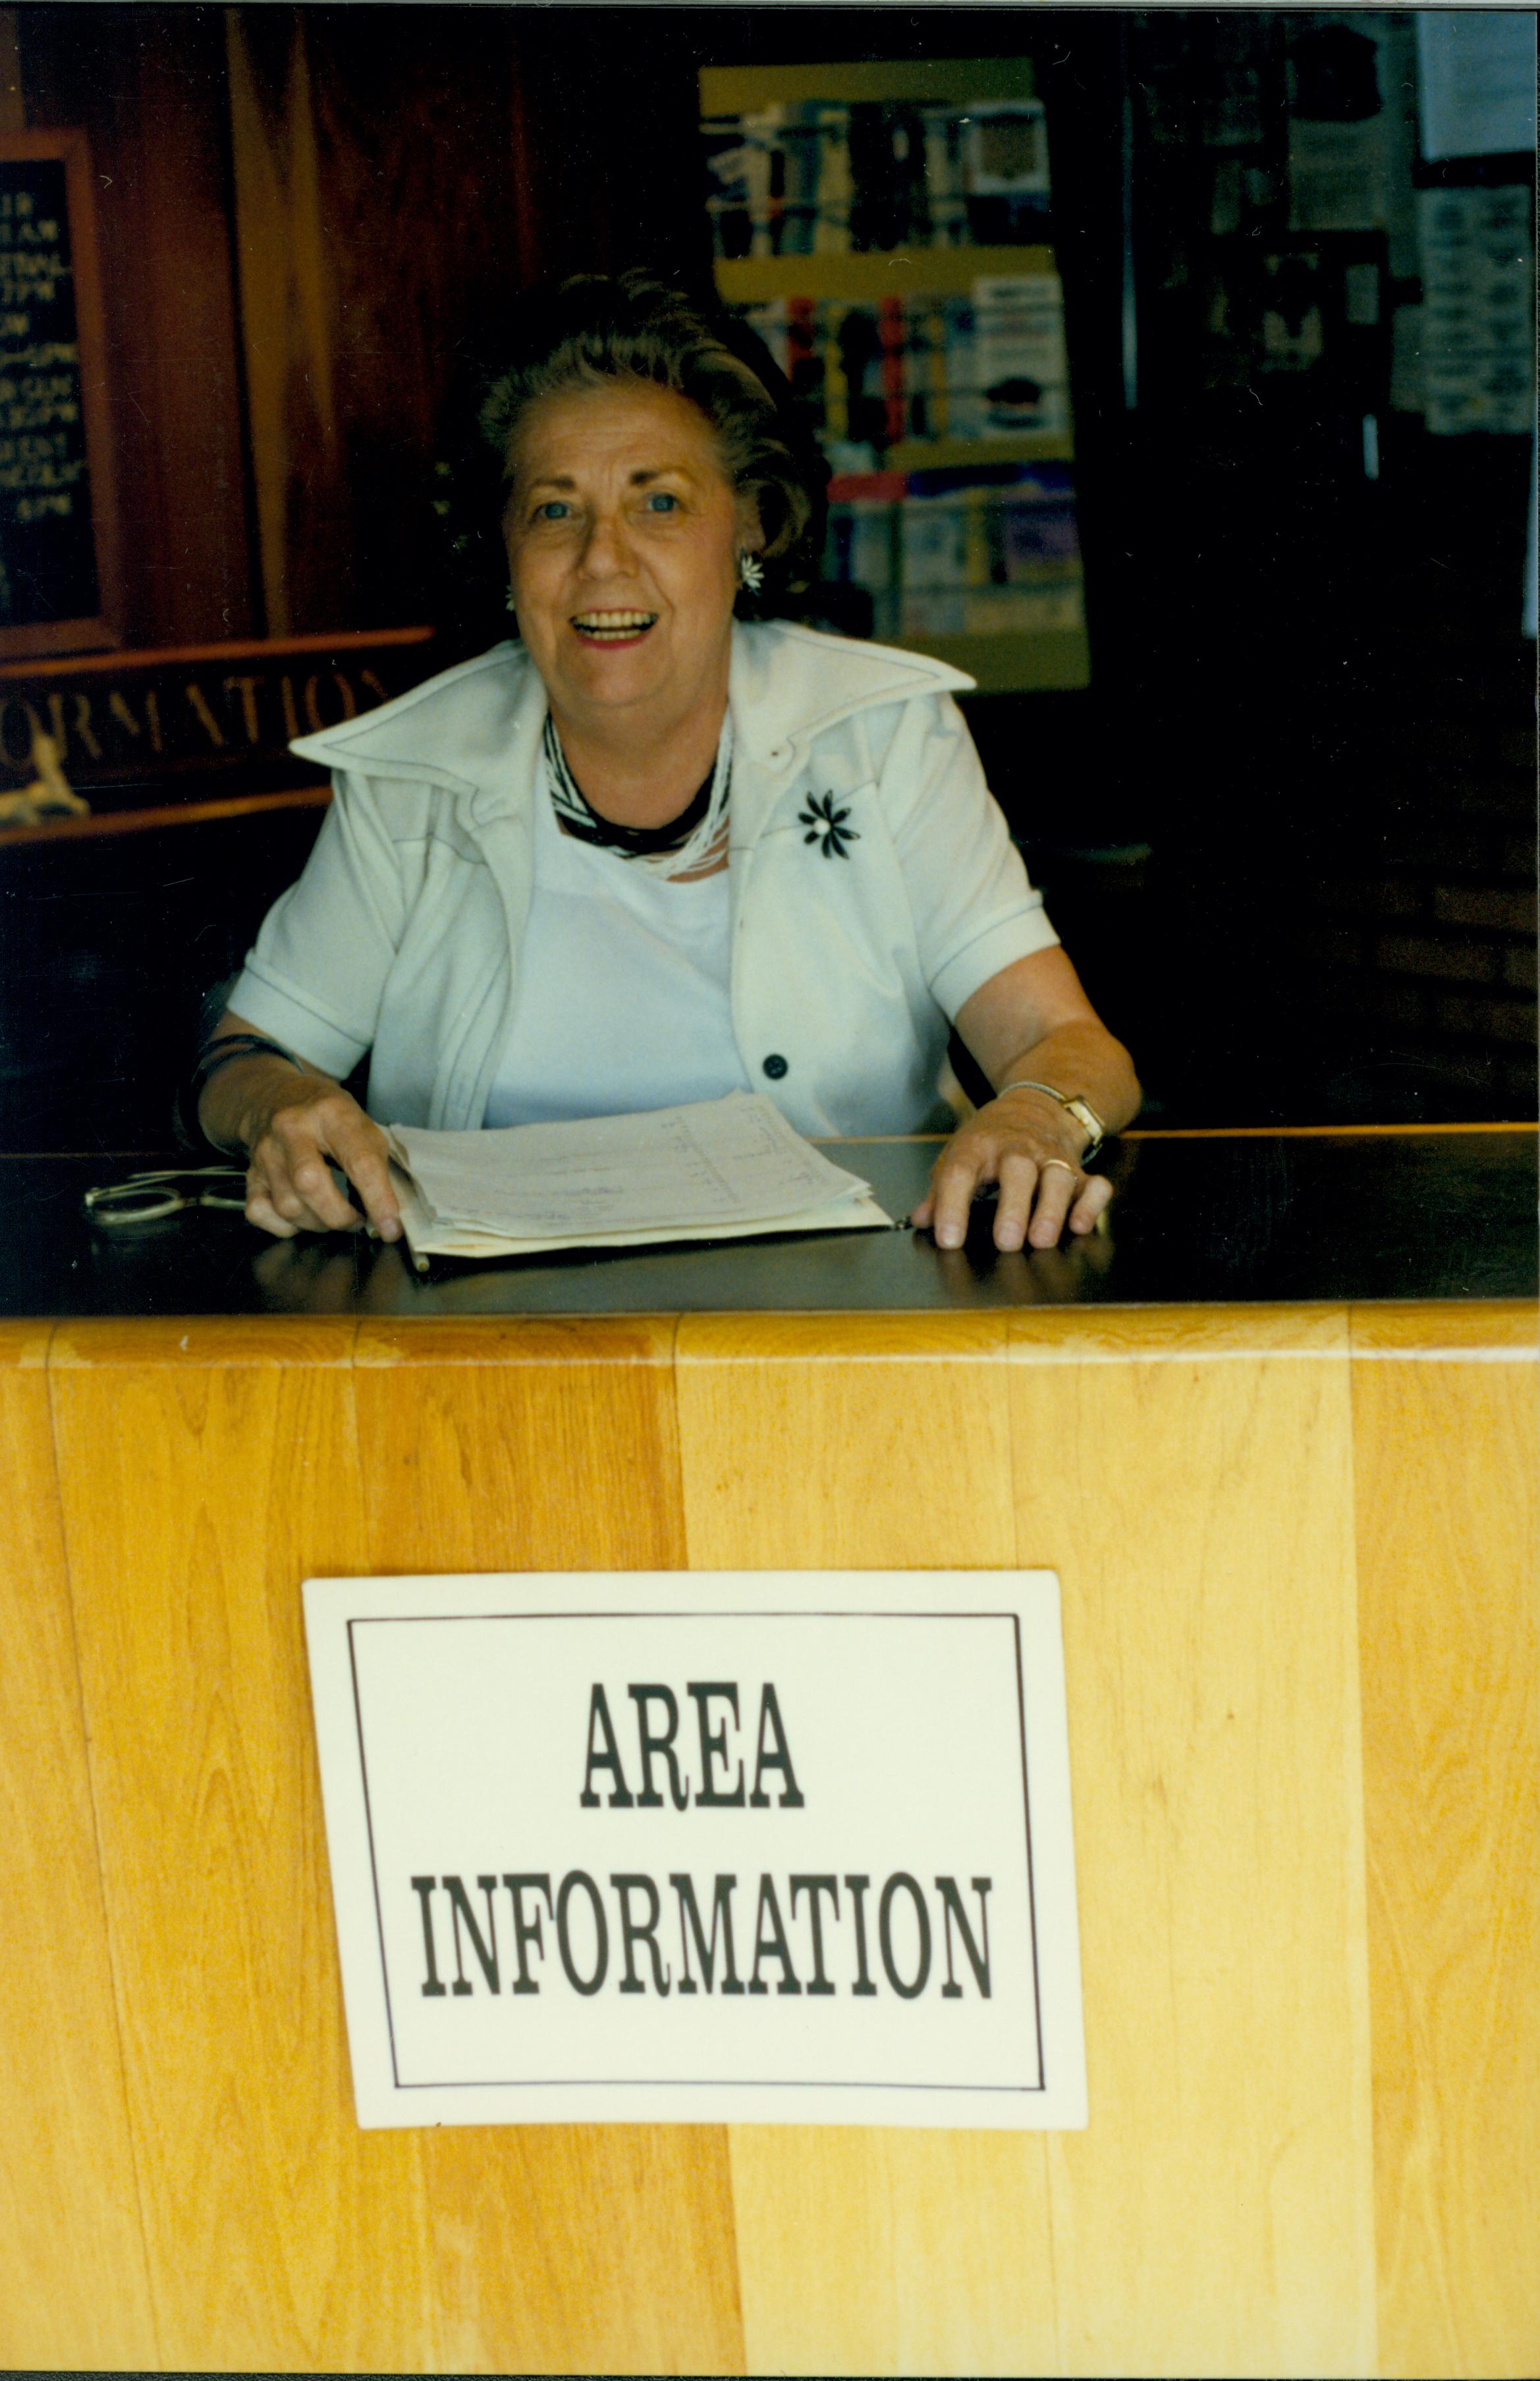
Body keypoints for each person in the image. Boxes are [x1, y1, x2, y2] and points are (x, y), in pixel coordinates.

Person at [198, 272, 1139, 1254]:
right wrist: (281, 1113)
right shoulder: (413, 774)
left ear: (751, 529)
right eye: (555, 512)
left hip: (842, 1310)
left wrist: (1035, 1115)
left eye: (659, 502)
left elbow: (1069, 1045)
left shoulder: (880, 735)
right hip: (493, 1333)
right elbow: (244, 1057)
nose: (604, 559)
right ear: (505, 553)